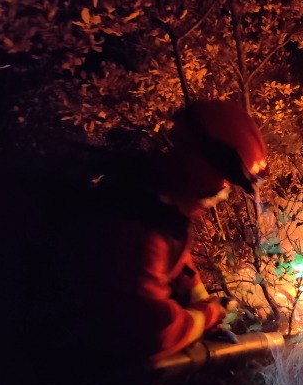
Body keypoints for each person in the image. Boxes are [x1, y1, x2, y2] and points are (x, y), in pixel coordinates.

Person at [73, 99, 268, 366]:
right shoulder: (138, 224)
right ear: (197, 163)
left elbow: (181, 266)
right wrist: (208, 315)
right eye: (224, 179)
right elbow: (156, 332)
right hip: (92, 374)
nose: (225, 191)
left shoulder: (159, 204)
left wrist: (205, 304)